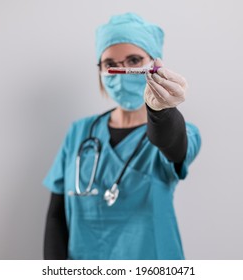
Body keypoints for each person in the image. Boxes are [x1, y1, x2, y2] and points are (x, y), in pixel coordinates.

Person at [43, 12, 201, 260]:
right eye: (110, 64)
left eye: (134, 60)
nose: (121, 71)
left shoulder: (181, 130)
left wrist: (160, 111)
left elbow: (172, 144)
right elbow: (56, 215)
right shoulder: (79, 132)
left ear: (153, 65)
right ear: (100, 70)